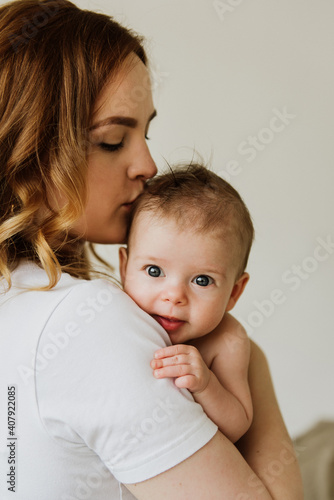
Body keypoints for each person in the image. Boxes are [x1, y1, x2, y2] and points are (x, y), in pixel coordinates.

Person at [0, 1, 303, 499]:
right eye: (114, 140)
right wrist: (245, 355)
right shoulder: (86, 320)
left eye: (146, 132)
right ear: (30, 150)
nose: (147, 164)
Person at [119, 164, 254, 443]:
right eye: (154, 271)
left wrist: (206, 385)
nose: (174, 296)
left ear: (234, 293)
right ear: (124, 268)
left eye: (202, 280)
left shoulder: (227, 341)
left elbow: (238, 424)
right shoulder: (114, 311)